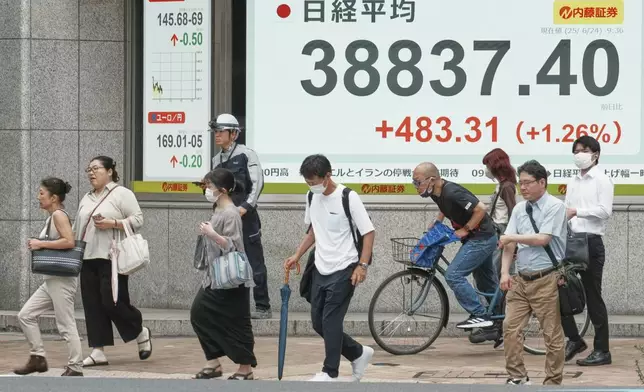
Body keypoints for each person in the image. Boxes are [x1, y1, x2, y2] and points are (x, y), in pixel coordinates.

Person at [284, 154, 375, 382]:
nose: (311, 186)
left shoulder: (348, 197)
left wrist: (362, 266)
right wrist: (297, 254)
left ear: (328, 175)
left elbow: (368, 232)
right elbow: (314, 229)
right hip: (320, 267)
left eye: (314, 182)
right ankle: (358, 353)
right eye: (308, 182)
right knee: (318, 322)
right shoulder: (311, 196)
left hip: (345, 267)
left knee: (331, 320)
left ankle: (329, 372)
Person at [75, 156, 152, 367]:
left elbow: (138, 220)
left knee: (113, 302)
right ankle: (98, 350)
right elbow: (77, 227)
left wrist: (113, 223)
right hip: (88, 257)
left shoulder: (122, 194)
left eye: (96, 168)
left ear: (110, 171)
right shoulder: (87, 197)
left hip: (112, 258)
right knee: (93, 305)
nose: (91, 173)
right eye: (88, 169)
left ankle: (139, 330)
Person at [499, 160, 566, 385]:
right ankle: (517, 377)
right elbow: (508, 246)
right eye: (521, 183)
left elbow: (542, 239)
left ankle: (553, 382)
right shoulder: (519, 208)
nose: (523, 188)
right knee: (510, 328)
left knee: (552, 335)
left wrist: (512, 238)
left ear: (542, 182)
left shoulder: (555, 207)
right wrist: (505, 273)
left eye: (528, 183)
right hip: (520, 280)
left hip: (546, 279)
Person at [413, 162, 498, 329]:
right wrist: (437, 221)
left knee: (453, 275)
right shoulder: (434, 191)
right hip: (477, 238)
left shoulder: (452, 192)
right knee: (485, 282)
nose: (416, 186)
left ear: (431, 179)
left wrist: (465, 229)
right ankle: (500, 320)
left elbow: (481, 209)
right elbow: (445, 206)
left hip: (482, 238)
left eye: (418, 182)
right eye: (414, 182)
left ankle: (479, 314)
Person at [190, 168, 257, 380]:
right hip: (215, 277)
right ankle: (213, 362)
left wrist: (212, 234)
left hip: (231, 278)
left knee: (237, 322)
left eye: (209, 187)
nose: (206, 190)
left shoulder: (231, 213)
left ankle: (245, 369)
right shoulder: (218, 209)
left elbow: (234, 245)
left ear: (223, 190)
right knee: (199, 314)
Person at [14, 178, 83, 377]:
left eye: (42, 193)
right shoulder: (52, 216)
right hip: (51, 280)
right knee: (25, 315)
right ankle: (38, 358)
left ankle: (76, 367)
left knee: (66, 324)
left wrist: (40, 244)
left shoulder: (59, 215)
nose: (38, 197)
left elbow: (69, 241)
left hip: (61, 281)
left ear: (53, 198)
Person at [209, 113, 271, 319]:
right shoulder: (216, 160)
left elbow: (257, 183)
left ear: (234, 134)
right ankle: (231, 305)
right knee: (225, 260)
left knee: (254, 261)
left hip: (246, 218)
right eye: (215, 132)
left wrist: (245, 207)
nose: (217, 135)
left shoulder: (247, 154)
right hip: (224, 218)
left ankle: (262, 306)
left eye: (221, 131)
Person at [562, 136, 614, 366]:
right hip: (571, 241)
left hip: (591, 243)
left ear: (596, 154)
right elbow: (565, 209)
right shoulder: (573, 181)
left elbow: (605, 211)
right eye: (576, 150)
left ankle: (602, 350)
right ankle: (574, 338)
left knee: (593, 297)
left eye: (584, 150)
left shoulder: (602, 180)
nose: (579, 154)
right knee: (560, 288)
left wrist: (577, 212)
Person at [470, 149, 518, 344]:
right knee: (493, 278)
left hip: (502, 234)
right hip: (498, 232)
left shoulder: (507, 187)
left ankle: (497, 325)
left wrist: (513, 241)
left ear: (496, 165)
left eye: (488, 165)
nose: (486, 169)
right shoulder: (502, 185)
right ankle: (495, 323)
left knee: (499, 279)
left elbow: (514, 212)